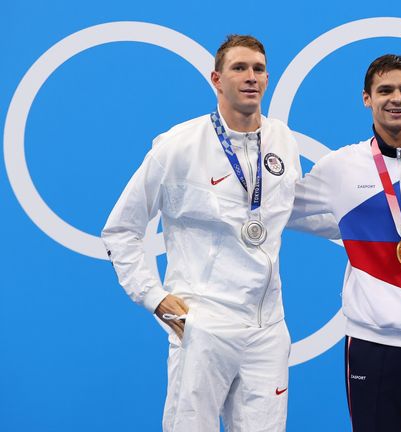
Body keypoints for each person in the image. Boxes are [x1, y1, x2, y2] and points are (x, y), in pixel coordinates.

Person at [102, 34, 300, 432]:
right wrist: (153, 296)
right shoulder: (177, 146)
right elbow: (121, 229)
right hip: (203, 326)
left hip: (267, 330)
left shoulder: (282, 139)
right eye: (239, 68)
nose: (250, 77)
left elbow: (297, 209)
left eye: (258, 69)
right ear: (216, 78)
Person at [288, 54, 401, 431]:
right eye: (385, 90)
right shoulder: (341, 166)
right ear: (366, 99)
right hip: (372, 343)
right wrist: (350, 229)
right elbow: (284, 209)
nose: (397, 98)